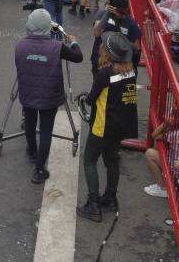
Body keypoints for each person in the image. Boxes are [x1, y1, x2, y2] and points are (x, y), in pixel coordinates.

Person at [16, 9, 83, 183]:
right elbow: (78, 57)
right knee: (45, 131)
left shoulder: (20, 45)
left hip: (27, 93)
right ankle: (39, 170)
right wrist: (74, 42)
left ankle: (32, 151)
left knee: (30, 124)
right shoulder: (57, 46)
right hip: (49, 95)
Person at [77, 32, 137, 222]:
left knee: (89, 160)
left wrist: (86, 97)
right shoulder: (130, 71)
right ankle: (110, 198)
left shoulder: (105, 74)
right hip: (120, 126)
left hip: (102, 126)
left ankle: (93, 204)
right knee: (111, 160)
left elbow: (91, 99)